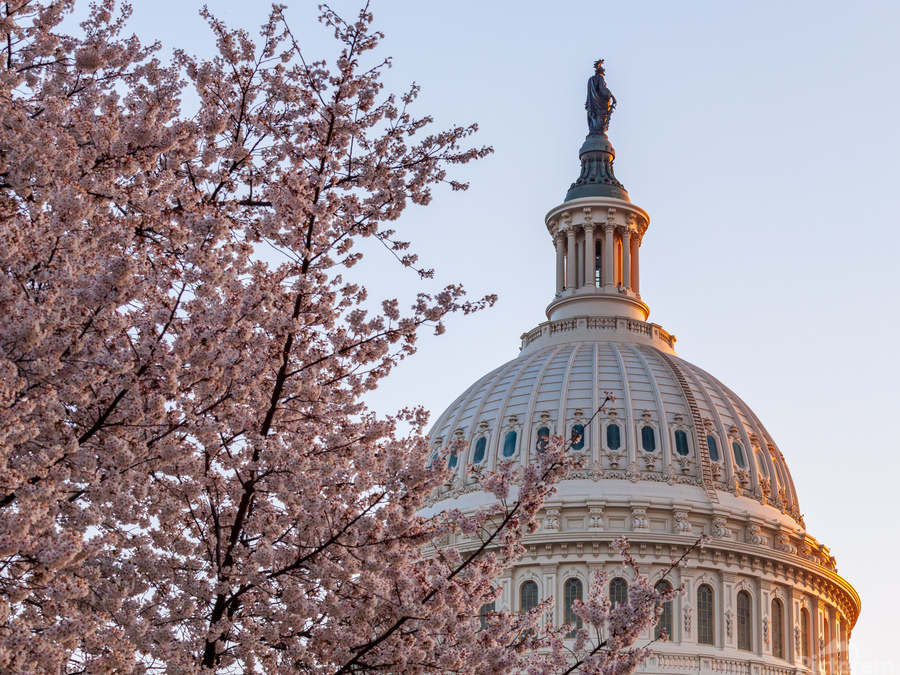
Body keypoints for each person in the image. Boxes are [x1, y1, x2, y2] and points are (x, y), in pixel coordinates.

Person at [586, 59, 616, 135]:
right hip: (601, 104)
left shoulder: (591, 80)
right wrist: (612, 96)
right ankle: (598, 132)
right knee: (601, 119)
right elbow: (603, 89)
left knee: (595, 119)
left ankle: (594, 131)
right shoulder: (600, 78)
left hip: (593, 104)